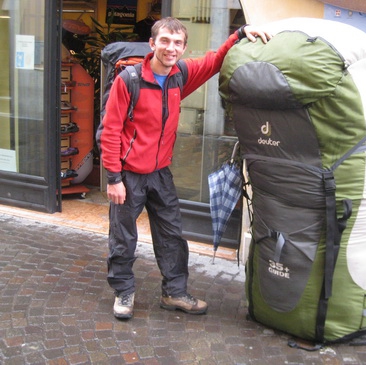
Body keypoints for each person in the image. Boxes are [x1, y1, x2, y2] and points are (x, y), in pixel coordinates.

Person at [98, 17, 272, 319]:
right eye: (165, 41)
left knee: (172, 236)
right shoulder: (130, 80)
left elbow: (215, 61)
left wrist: (240, 33)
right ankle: (123, 291)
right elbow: (110, 130)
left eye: (177, 43)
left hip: (160, 173)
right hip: (128, 175)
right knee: (123, 238)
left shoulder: (180, 74)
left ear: (183, 47)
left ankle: (174, 293)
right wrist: (114, 178)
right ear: (152, 44)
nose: (171, 48)